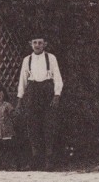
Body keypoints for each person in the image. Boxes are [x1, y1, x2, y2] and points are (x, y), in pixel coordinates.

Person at [16, 36, 63, 170]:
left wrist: (56, 95)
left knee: (48, 126)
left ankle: (49, 160)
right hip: (32, 92)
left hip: (47, 92)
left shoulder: (51, 58)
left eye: (40, 43)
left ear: (45, 44)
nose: (37, 45)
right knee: (33, 126)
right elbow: (23, 80)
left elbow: (58, 77)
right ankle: (35, 159)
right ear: (30, 44)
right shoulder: (27, 60)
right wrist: (19, 99)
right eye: (35, 42)